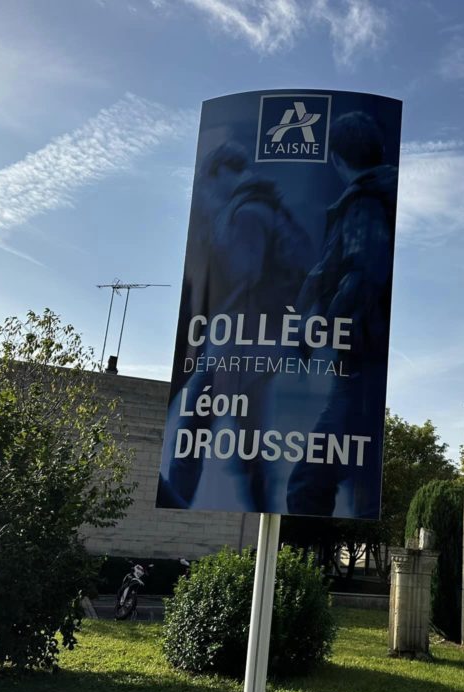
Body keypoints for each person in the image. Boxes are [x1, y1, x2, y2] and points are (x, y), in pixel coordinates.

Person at [158, 141, 313, 511]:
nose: (211, 191)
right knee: (249, 446)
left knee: (191, 435)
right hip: (264, 342)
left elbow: (243, 272)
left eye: (212, 181)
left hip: (237, 343)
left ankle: (174, 517)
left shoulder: (246, 213)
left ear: (222, 172)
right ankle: (266, 510)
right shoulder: (273, 207)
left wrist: (214, 237)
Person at [286, 112, 398, 518]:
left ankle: (305, 564)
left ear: (335, 158)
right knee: (354, 477)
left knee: (309, 480)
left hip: (361, 366)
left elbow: (364, 270)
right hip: (361, 364)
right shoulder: (373, 197)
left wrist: (322, 327)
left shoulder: (364, 203)